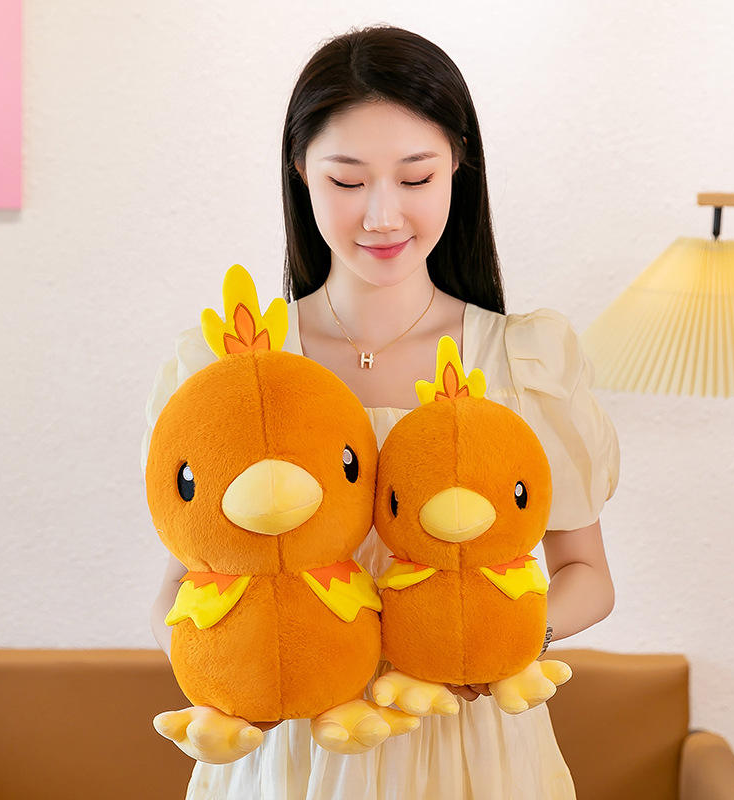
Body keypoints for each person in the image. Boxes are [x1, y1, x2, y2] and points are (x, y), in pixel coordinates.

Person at [143, 24, 620, 800]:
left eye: (415, 177)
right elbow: (181, 587)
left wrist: (505, 640)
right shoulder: (238, 369)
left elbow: (587, 574)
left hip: (471, 745)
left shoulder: (523, 362)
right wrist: (231, 676)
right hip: (294, 748)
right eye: (347, 180)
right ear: (300, 171)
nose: (383, 215)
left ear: (458, 165)